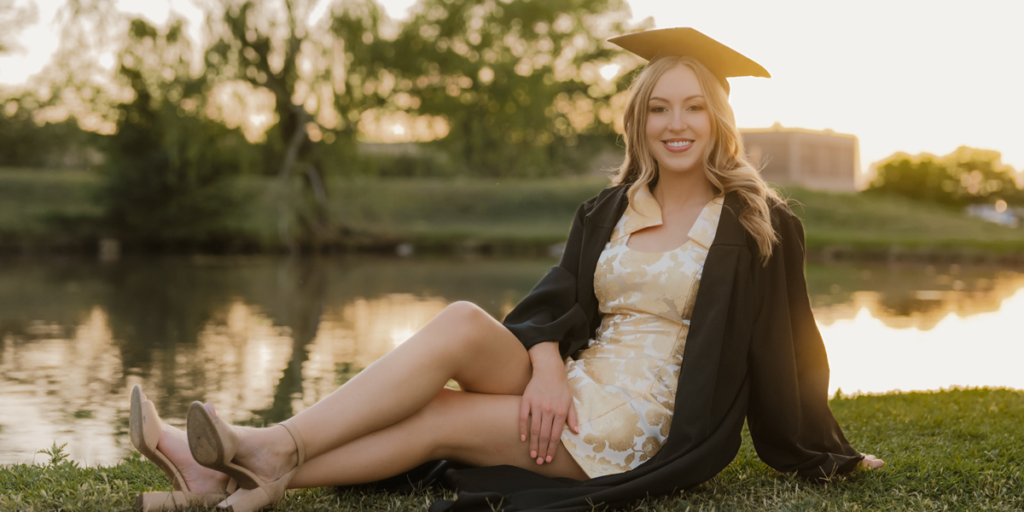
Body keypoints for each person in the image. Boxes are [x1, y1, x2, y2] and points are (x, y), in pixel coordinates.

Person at [128, 27, 884, 512]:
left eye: (693, 108)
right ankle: (244, 465)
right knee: (463, 321)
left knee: (439, 418)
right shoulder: (610, 209)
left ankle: (258, 459)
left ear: (719, 119)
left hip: (642, 420)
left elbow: (790, 350)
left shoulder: (756, 223)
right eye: (659, 108)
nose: (676, 124)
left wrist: (827, 454)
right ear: (639, 121)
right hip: (578, 381)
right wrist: (547, 366)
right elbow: (555, 302)